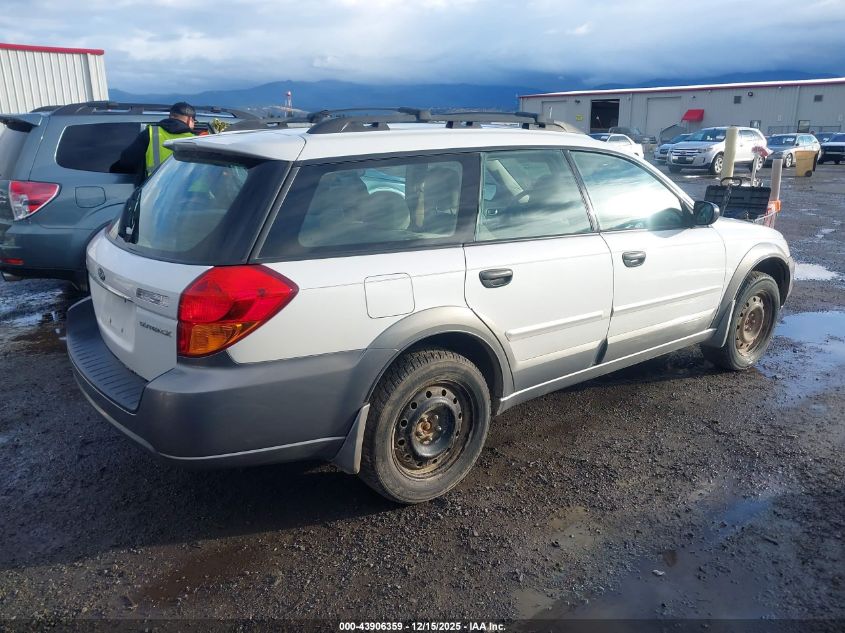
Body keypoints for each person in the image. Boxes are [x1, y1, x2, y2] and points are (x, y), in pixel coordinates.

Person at [112, 102, 198, 182]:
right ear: (190, 120)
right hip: (181, 191)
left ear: (170, 116)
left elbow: (127, 161)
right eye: (194, 121)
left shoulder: (150, 133)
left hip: (152, 191)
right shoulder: (195, 140)